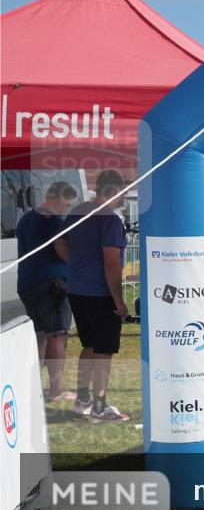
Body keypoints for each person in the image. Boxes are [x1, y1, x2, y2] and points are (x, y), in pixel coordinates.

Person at [55, 170, 130, 421]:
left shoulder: (78, 211)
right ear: (112, 191)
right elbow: (112, 264)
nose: (124, 198)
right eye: (123, 192)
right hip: (99, 293)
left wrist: (76, 264)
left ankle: (83, 399)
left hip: (77, 290)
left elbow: (59, 243)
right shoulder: (109, 219)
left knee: (89, 346)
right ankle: (99, 405)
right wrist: (119, 302)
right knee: (103, 351)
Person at [16, 181, 78, 402]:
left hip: (27, 283)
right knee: (57, 335)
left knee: (40, 336)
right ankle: (57, 390)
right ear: (57, 199)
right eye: (66, 204)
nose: (66, 209)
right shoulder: (53, 222)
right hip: (51, 285)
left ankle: (33, 387)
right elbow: (61, 249)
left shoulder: (25, 219)